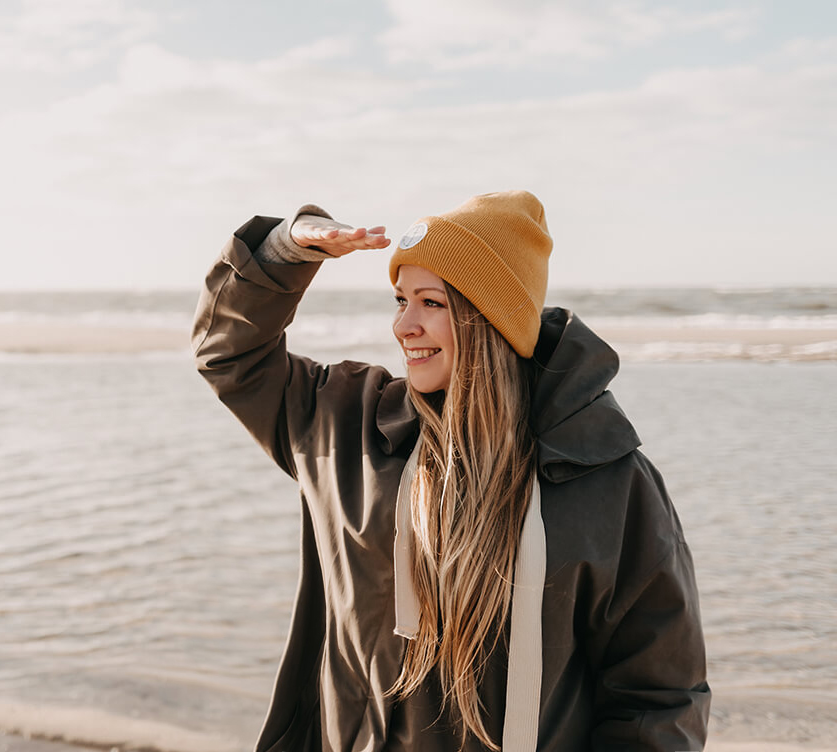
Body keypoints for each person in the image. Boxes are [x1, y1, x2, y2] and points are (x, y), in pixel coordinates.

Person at [192, 191, 710, 751]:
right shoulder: (346, 425)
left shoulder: (607, 477)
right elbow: (230, 354)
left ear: (491, 319)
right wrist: (284, 249)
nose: (404, 326)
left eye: (431, 303)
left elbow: (659, 697)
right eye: (400, 300)